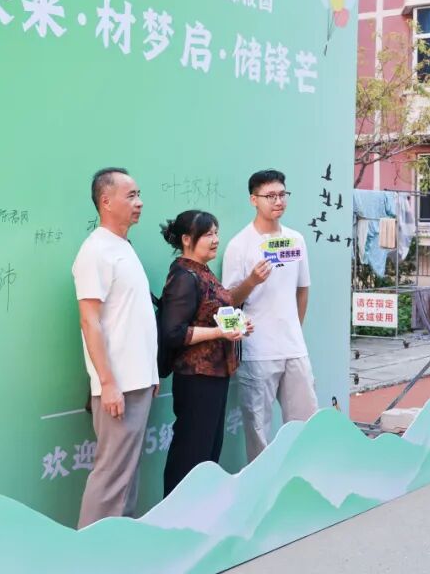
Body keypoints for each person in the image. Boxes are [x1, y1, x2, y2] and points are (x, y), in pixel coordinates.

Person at [156, 210, 267, 496]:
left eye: (216, 232)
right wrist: (220, 333)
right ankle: (177, 512)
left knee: (207, 452)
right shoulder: (184, 276)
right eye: (208, 234)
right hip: (196, 377)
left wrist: (237, 325)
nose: (216, 239)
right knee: (191, 453)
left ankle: (198, 510)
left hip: (216, 374)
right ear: (186, 239)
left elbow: (212, 315)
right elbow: (173, 333)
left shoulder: (203, 271)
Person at [72, 167, 159, 528]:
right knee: (111, 477)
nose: (139, 203)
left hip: (137, 382)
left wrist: (151, 373)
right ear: (106, 202)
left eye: (139, 195)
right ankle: (89, 551)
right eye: (131, 195)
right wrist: (107, 383)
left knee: (126, 476)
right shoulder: (95, 251)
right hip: (118, 385)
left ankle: (118, 547)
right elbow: (89, 321)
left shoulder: (122, 247)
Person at [222, 169, 317, 463]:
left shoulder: (295, 239)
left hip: (293, 347)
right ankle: (261, 483)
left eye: (282, 194)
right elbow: (228, 302)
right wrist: (252, 281)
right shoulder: (239, 245)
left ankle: (303, 475)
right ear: (254, 200)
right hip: (257, 350)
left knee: (306, 422)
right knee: (258, 429)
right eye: (270, 196)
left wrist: (294, 328)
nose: (278, 201)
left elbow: (302, 290)